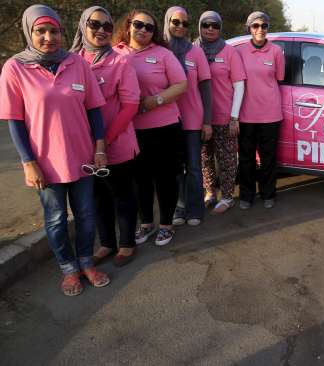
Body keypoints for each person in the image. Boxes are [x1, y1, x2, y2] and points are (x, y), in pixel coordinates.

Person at [0, 4, 110, 295]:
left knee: (86, 214)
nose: (49, 37)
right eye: (41, 31)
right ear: (29, 32)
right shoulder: (15, 68)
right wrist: (28, 162)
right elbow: (15, 121)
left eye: (54, 31)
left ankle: (86, 261)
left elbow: (95, 111)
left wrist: (99, 148)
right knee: (56, 218)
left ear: (62, 32)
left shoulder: (78, 63)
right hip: (45, 163)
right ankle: (69, 269)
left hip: (83, 159)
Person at [71, 6, 141, 267]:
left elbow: (131, 105)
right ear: (83, 26)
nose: (101, 31)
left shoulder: (120, 62)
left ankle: (126, 244)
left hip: (117, 142)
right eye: (95, 24)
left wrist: (105, 141)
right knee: (98, 196)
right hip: (83, 146)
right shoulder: (72, 61)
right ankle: (107, 243)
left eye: (108, 26)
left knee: (122, 194)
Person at [113, 9, 187, 246]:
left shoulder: (163, 54)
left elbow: (181, 84)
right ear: (128, 25)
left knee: (165, 178)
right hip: (130, 129)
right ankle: (146, 223)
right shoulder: (115, 53)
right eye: (138, 24)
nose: (143, 30)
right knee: (140, 179)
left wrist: (151, 102)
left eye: (149, 27)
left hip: (164, 127)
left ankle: (166, 225)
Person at [163, 6, 212, 227]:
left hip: (192, 119)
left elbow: (205, 88)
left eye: (184, 23)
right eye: (176, 22)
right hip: (168, 121)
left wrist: (207, 121)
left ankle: (195, 208)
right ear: (167, 22)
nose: (180, 27)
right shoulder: (160, 50)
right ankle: (178, 208)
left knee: (193, 167)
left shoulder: (196, 52)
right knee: (174, 168)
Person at [196, 11, 246, 214]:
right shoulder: (193, 50)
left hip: (224, 116)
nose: (210, 29)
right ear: (199, 26)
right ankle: (210, 192)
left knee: (226, 159)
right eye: (206, 25)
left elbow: (239, 86)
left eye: (215, 25)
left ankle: (226, 196)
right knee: (205, 157)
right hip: (199, 118)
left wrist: (234, 117)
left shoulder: (229, 52)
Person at [235, 11, 284, 210]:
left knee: (268, 157)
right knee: (246, 158)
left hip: (271, 114)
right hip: (246, 114)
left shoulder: (276, 51)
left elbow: (279, 78)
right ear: (249, 28)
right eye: (256, 26)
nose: (260, 30)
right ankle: (246, 195)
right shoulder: (239, 52)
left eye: (264, 26)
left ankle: (268, 194)